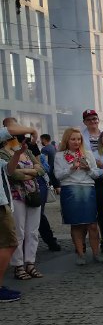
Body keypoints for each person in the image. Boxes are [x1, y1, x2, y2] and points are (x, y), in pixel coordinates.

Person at [54, 128, 103, 265]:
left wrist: (87, 168)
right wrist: (71, 168)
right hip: (70, 188)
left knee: (92, 224)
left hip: (88, 188)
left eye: (78, 139)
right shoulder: (59, 156)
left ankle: (96, 253)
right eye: (73, 139)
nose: (76, 142)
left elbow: (96, 174)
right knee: (76, 224)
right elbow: (58, 175)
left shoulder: (87, 154)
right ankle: (81, 254)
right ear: (67, 140)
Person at [0, 123, 39, 301]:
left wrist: (17, 154)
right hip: (4, 203)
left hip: (6, 201)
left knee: (11, 242)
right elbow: (8, 129)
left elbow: (9, 170)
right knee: (10, 243)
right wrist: (31, 130)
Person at [37, 133, 61, 251]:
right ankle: (51, 241)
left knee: (38, 214)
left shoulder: (44, 150)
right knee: (39, 214)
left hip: (43, 179)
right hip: (48, 178)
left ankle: (50, 241)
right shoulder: (52, 148)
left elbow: (45, 167)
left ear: (43, 139)